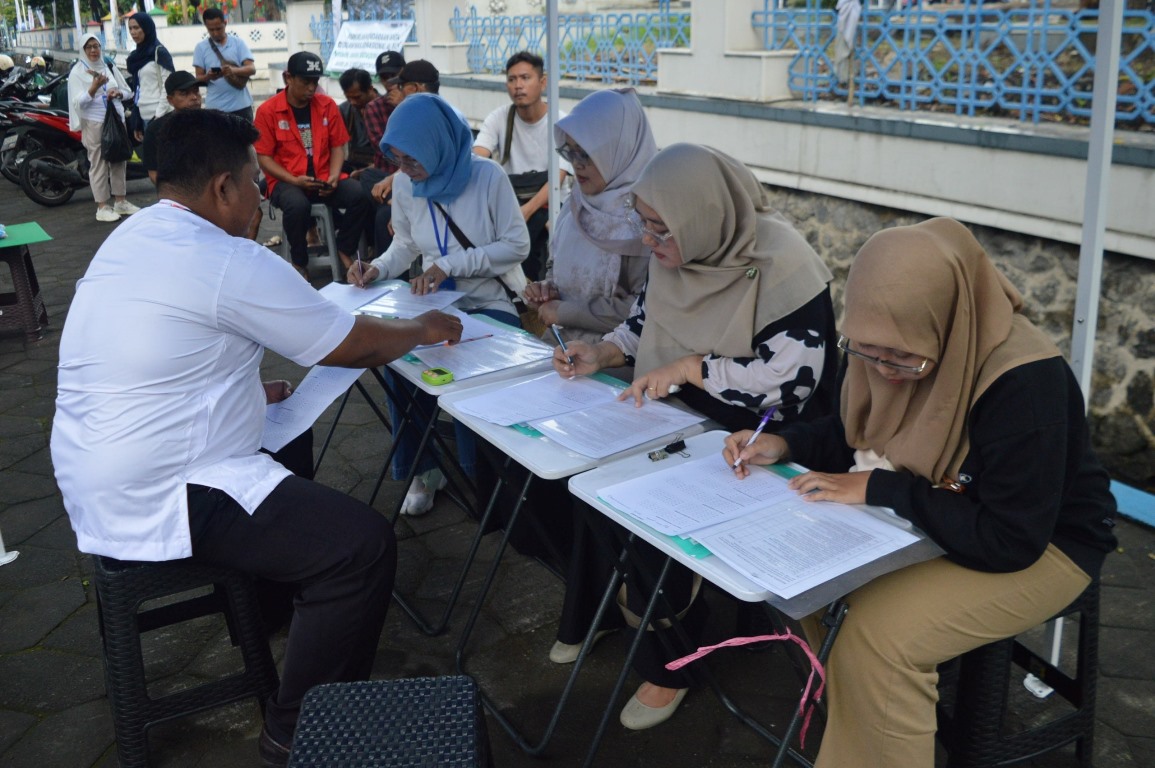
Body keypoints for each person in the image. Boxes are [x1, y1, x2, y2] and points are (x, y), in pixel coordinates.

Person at [50, 109, 463, 768]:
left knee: (283, 432)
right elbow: (346, 342)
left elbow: (168, 358)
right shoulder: (227, 257)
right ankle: (301, 728)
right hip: (162, 486)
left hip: (96, 469)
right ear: (221, 188)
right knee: (357, 547)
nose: (261, 198)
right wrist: (419, 330)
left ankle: (276, 605)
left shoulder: (137, 235)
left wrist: (244, 395)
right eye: (253, 182)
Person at [724, 217, 1117, 768]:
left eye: (904, 357)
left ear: (946, 322)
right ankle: (865, 728)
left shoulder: (1026, 384)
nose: (885, 371)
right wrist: (785, 445)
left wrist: (884, 488)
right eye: (869, 352)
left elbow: (1011, 539)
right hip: (938, 511)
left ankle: (871, 730)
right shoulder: (879, 349)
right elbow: (852, 430)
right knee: (801, 584)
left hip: (1046, 543)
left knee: (880, 638)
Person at [554, 143, 839, 729]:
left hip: (758, 432)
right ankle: (598, 609)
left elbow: (793, 385)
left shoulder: (784, 263)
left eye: (661, 230)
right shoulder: (675, 251)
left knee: (650, 506)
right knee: (590, 488)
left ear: (703, 216)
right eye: (645, 226)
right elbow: (641, 328)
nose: (651, 244)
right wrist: (599, 353)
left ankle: (672, 663)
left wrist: (692, 370)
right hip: (674, 413)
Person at [347, 93, 530, 515]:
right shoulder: (409, 183)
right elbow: (406, 244)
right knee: (400, 361)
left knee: (464, 360)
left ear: (437, 144)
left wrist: (450, 264)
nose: (406, 171)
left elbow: (517, 245)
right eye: (400, 161)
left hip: (486, 300)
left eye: (413, 160)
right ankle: (424, 468)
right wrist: (376, 268)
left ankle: (477, 472)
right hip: (433, 304)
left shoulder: (487, 177)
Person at [523, 88, 654, 347]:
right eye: (570, 152)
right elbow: (556, 267)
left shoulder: (648, 217)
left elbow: (645, 310)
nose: (576, 164)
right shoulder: (576, 204)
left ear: (620, 150)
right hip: (558, 343)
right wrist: (546, 290)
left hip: (614, 356)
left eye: (586, 154)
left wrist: (566, 312)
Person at [255, 51, 371, 279]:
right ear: (288, 78)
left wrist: (335, 176)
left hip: (323, 178)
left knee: (360, 195)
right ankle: (299, 262)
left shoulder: (327, 105)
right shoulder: (268, 111)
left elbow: (338, 146)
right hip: (286, 182)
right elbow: (264, 158)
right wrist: (294, 180)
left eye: (315, 82)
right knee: (297, 206)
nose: (311, 88)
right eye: (305, 81)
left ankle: (343, 247)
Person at [473, 51, 571, 281]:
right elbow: (478, 157)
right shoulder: (498, 118)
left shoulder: (561, 121)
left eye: (525, 78)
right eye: (512, 79)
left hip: (553, 202)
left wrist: (525, 212)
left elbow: (559, 177)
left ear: (543, 82)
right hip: (512, 200)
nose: (518, 85)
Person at [67, 33, 141, 223]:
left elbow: (128, 92)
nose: (94, 50)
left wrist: (117, 93)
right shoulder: (77, 73)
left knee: (119, 159)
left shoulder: (108, 66)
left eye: (96, 46)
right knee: (99, 162)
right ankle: (102, 206)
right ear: (83, 50)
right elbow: (78, 104)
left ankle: (121, 201)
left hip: (115, 119)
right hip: (94, 122)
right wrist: (93, 88)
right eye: (89, 47)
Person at [141, 70, 205, 184]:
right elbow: (153, 173)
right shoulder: (156, 130)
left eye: (196, 91)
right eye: (184, 93)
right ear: (170, 100)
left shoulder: (213, 124)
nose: (194, 97)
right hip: (176, 194)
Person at [193, 7, 256, 119]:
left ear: (225, 23)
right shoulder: (201, 48)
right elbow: (198, 78)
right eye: (211, 30)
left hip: (242, 107)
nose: (215, 33)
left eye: (219, 28)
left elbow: (251, 69)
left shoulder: (238, 43)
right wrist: (208, 76)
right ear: (206, 27)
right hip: (215, 109)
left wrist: (233, 70)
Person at [125, 11, 174, 140]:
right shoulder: (136, 56)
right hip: (144, 116)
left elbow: (168, 86)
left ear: (146, 28)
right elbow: (138, 89)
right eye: (130, 28)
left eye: (136, 27)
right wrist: (138, 122)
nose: (133, 32)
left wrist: (158, 115)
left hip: (161, 117)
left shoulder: (159, 52)